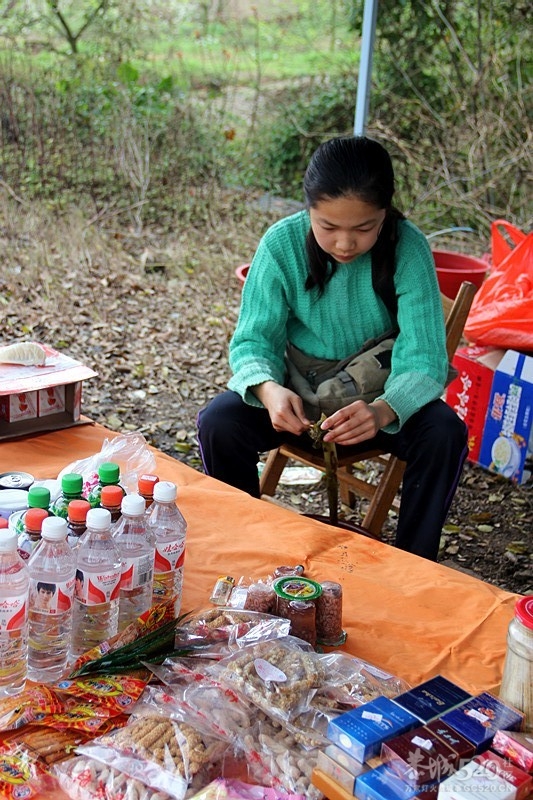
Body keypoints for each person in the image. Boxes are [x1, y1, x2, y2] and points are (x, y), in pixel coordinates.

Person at [197, 135, 468, 561]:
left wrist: (383, 410)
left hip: (378, 399)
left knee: (444, 433)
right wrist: (268, 390)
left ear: (385, 213)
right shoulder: (281, 244)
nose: (345, 244)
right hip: (301, 404)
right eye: (328, 227)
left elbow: (424, 357)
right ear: (308, 209)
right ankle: (243, 545)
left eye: (363, 228)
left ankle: (416, 564)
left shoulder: (407, 247)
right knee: (219, 422)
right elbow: (253, 340)